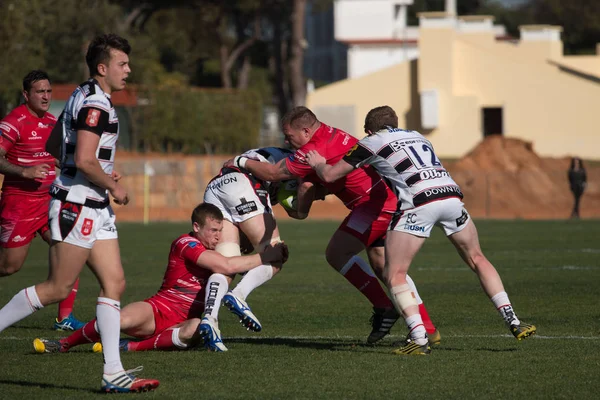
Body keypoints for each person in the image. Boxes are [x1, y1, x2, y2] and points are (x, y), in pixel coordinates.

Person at [305, 105, 537, 355]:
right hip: (451, 197)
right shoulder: (418, 136)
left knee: (394, 274)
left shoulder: (371, 141)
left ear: (368, 129)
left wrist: (317, 164)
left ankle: (419, 338)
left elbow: (330, 175)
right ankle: (513, 320)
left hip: (418, 202)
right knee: (477, 258)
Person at [0, 34, 159, 393]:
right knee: (57, 288)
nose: (128, 71)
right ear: (102, 68)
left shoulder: (83, 93)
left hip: (92, 202)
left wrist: (96, 172)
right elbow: (85, 158)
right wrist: (109, 182)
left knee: (114, 283)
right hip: (79, 204)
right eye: (123, 64)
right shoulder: (96, 105)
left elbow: (57, 146)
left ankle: (113, 373)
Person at [225, 107, 440, 345]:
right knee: (384, 267)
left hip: (374, 204)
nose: (286, 141)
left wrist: (240, 160)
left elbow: (275, 173)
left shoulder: (312, 150)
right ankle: (427, 329)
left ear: (306, 131)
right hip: (383, 199)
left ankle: (384, 307)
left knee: (337, 253)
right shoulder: (330, 133)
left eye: (289, 135)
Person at [32, 203, 288, 354]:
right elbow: (226, 264)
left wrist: (270, 264)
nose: (218, 236)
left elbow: (235, 266)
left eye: (221, 230)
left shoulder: (215, 246)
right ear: (197, 227)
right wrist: (267, 256)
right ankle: (63, 344)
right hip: (160, 309)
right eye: (213, 230)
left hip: (188, 319)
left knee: (199, 327)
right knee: (119, 319)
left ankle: (129, 347)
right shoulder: (185, 242)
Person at [201, 147, 311, 351]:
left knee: (226, 265)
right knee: (276, 255)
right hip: (243, 184)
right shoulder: (297, 160)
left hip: (216, 185)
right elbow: (297, 202)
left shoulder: (268, 152)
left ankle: (210, 318)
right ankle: (239, 295)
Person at [0, 70, 84, 331]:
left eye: (48, 91)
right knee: (9, 266)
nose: (46, 96)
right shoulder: (15, 120)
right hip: (19, 204)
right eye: (40, 91)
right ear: (26, 95)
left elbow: (59, 159)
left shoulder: (51, 122)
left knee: (72, 253)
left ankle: (64, 318)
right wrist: (23, 171)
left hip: (48, 203)